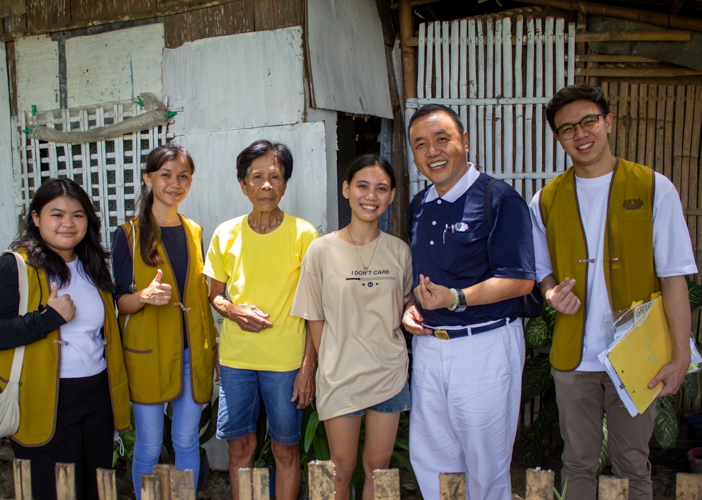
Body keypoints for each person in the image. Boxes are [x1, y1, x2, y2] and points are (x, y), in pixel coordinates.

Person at [529, 84, 697, 499]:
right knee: (577, 462)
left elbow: (675, 278)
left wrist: (679, 358)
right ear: (558, 138)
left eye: (589, 121)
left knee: (632, 464)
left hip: (637, 356)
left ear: (607, 122)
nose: (580, 134)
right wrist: (552, 294)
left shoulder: (655, 187)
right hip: (573, 357)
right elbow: (541, 273)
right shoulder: (546, 199)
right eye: (567, 129)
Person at [402, 104, 536, 500]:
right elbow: (424, 273)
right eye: (420, 144)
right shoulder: (419, 204)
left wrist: (458, 298)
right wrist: (415, 307)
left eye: (442, 139)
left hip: (485, 347)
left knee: (486, 464)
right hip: (430, 347)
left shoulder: (498, 198)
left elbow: (521, 280)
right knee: (433, 460)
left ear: (464, 141)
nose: (432, 152)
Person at [0, 178, 130, 500]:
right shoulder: (13, 266)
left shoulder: (92, 266)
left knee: (94, 487)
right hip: (44, 397)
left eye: (78, 215)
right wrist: (48, 319)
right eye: (57, 214)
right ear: (35, 218)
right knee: (53, 489)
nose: (68, 224)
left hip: (97, 395)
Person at [291, 154, 412, 500]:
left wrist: (413, 309)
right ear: (346, 189)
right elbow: (314, 314)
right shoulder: (321, 250)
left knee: (379, 466)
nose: (371, 196)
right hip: (341, 376)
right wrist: (328, 361)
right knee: (340, 470)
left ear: (390, 196)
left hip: (388, 373)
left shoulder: (399, 251)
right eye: (362, 186)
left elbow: (406, 303)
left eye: (381, 188)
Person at [204, 140, 318, 500]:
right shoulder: (226, 233)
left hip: (285, 363)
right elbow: (215, 295)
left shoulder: (304, 235)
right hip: (237, 361)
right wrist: (232, 310)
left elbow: (316, 309)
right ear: (243, 184)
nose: (266, 185)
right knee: (240, 448)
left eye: (275, 176)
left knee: (285, 449)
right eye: (257, 177)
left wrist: (307, 367)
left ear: (286, 183)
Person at [112, 144, 218, 495]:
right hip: (149, 353)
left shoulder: (195, 231)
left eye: (184, 176)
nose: (176, 183)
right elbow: (121, 303)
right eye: (166, 175)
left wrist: (212, 347)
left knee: (186, 441)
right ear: (148, 178)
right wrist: (142, 297)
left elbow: (198, 295)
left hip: (192, 354)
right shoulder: (128, 234)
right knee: (149, 444)